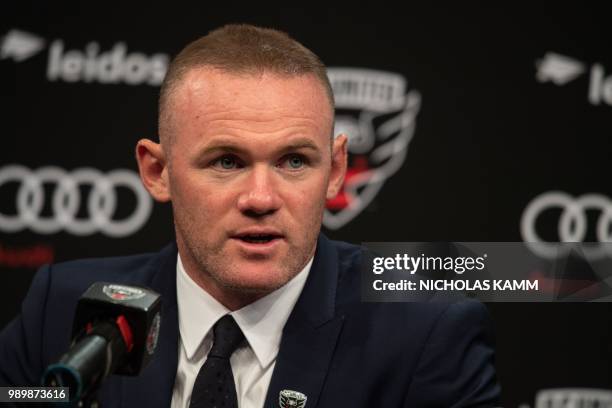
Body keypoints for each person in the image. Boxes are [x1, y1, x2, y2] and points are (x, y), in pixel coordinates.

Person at [0, 24, 500, 407]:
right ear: (157, 171)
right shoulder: (64, 310)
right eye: (227, 162)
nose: (261, 197)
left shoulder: (426, 334)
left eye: (294, 161)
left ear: (336, 170)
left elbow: (573, 275)